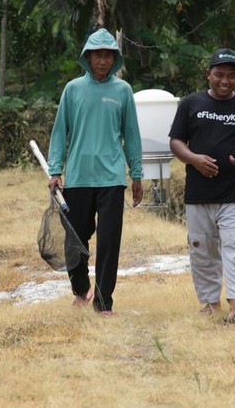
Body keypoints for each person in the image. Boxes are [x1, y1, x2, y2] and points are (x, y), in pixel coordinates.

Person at [168, 48, 235, 323]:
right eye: (220, 75)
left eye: (232, 76)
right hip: (198, 194)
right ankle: (211, 303)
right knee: (202, 249)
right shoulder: (191, 104)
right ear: (208, 75)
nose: (225, 81)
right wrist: (193, 159)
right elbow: (176, 141)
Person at [46, 28, 143, 316]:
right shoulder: (73, 89)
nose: (102, 61)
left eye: (108, 56)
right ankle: (80, 290)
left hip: (112, 178)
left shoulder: (122, 91)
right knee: (76, 239)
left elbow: (132, 136)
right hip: (77, 177)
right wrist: (55, 170)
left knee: (109, 241)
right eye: (97, 55)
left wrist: (136, 175)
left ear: (115, 59)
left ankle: (103, 303)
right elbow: (59, 131)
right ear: (87, 58)